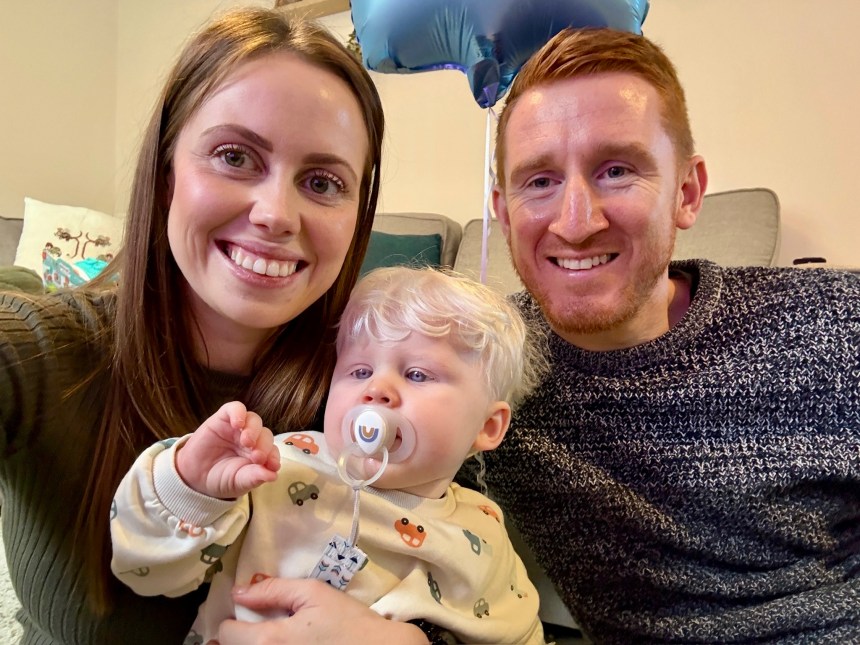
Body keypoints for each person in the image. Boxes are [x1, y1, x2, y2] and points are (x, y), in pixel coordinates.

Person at [0, 7, 394, 643]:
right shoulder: (38, 349)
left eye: (323, 182)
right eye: (234, 156)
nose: (275, 214)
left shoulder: (386, 388)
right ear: (166, 177)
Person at [454, 26, 860, 644]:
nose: (576, 223)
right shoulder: (479, 361)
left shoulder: (835, 321)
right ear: (503, 211)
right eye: (539, 181)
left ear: (687, 193)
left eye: (616, 171)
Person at [111, 266, 546, 645]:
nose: (376, 389)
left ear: (488, 427)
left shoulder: (481, 529)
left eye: (417, 374)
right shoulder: (277, 467)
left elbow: (520, 634)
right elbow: (144, 572)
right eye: (359, 371)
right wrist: (193, 487)